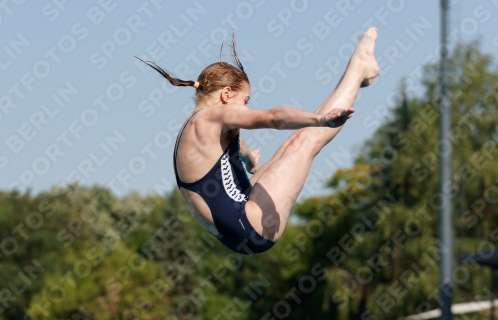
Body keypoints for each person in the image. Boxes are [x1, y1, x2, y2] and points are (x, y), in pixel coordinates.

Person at [137, 28, 379, 255]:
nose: (244, 109)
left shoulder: (195, 127)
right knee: (304, 142)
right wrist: (321, 119)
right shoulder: (215, 114)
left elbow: (233, 148)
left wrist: (249, 160)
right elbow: (273, 118)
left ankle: (359, 74)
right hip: (251, 224)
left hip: (239, 230)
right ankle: (358, 67)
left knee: (291, 145)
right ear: (226, 94)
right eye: (245, 101)